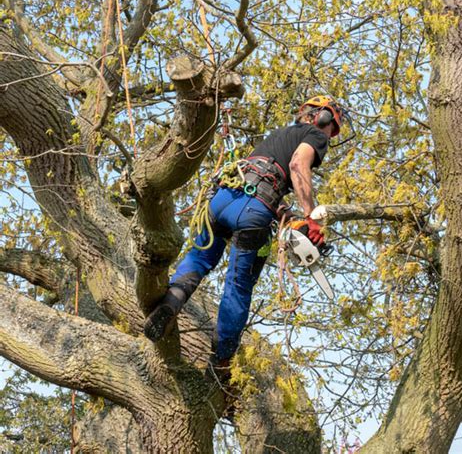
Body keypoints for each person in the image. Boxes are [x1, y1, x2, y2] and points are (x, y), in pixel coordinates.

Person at [144, 95, 345, 375]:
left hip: (222, 200)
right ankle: (221, 360)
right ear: (320, 118)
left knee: (199, 259)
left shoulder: (277, 136)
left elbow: (265, 178)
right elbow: (298, 166)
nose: (329, 136)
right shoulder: (313, 135)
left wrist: (285, 212)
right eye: (331, 128)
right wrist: (311, 218)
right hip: (252, 211)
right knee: (238, 285)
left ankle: (169, 304)